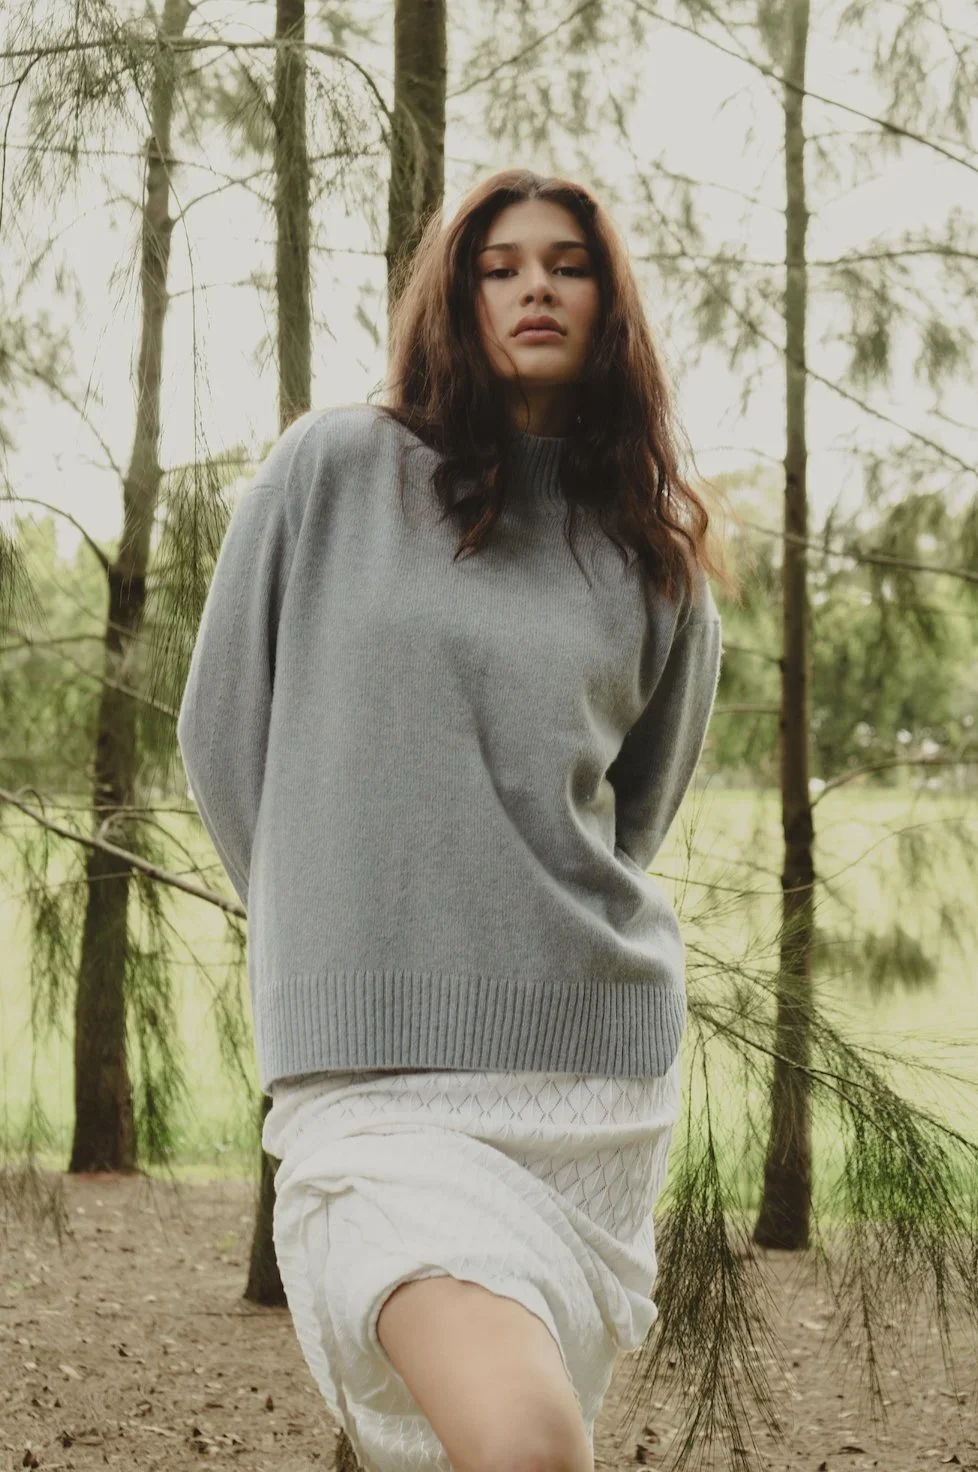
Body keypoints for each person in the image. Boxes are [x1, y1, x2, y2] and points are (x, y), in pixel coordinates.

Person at [176, 167, 728, 1472]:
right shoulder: (333, 471)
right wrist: (347, 931)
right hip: (370, 1087)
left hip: (591, 1084)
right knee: (527, 1445)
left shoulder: (651, 554)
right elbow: (221, 738)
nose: (534, 284)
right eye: (499, 264)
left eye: (566, 263)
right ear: (458, 295)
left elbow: (627, 817)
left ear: (608, 302)